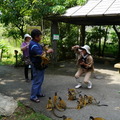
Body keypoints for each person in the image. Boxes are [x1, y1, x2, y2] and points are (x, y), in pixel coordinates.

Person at [29, 29, 53, 103]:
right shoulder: (33, 45)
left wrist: (45, 48)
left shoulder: (36, 43)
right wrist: (48, 51)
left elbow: (42, 51)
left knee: (40, 80)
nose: (40, 38)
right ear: (36, 37)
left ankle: (37, 93)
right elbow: (41, 54)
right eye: (40, 36)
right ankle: (33, 96)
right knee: (36, 81)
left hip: (41, 65)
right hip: (36, 65)